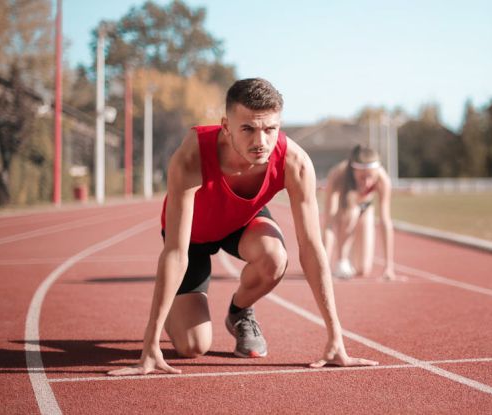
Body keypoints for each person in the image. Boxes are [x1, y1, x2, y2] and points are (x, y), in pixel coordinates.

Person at [108, 78, 377, 376]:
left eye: (269, 129)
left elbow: (312, 248)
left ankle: (239, 312)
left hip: (241, 223)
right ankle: (173, 305)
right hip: (192, 236)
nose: (260, 141)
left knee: (275, 257)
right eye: (247, 129)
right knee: (192, 347)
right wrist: (150, 345)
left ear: (279, 125)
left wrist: (335, 338)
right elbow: (175, 252)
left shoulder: (295, 163)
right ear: (226, 126)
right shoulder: (191, 156)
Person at [322, 145, 398, 280]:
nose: (367, 182)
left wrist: (388, 267)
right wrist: (323, 265)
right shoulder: (338, 175)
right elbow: (329, 223)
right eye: (362, 177)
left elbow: (385, 221)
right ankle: (342, 260)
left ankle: (352, 259)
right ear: (353, 171)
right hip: (344, 209)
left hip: (366, 207)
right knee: (352, 213)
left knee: (362, 269)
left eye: (371, 176)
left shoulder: (383, 180)